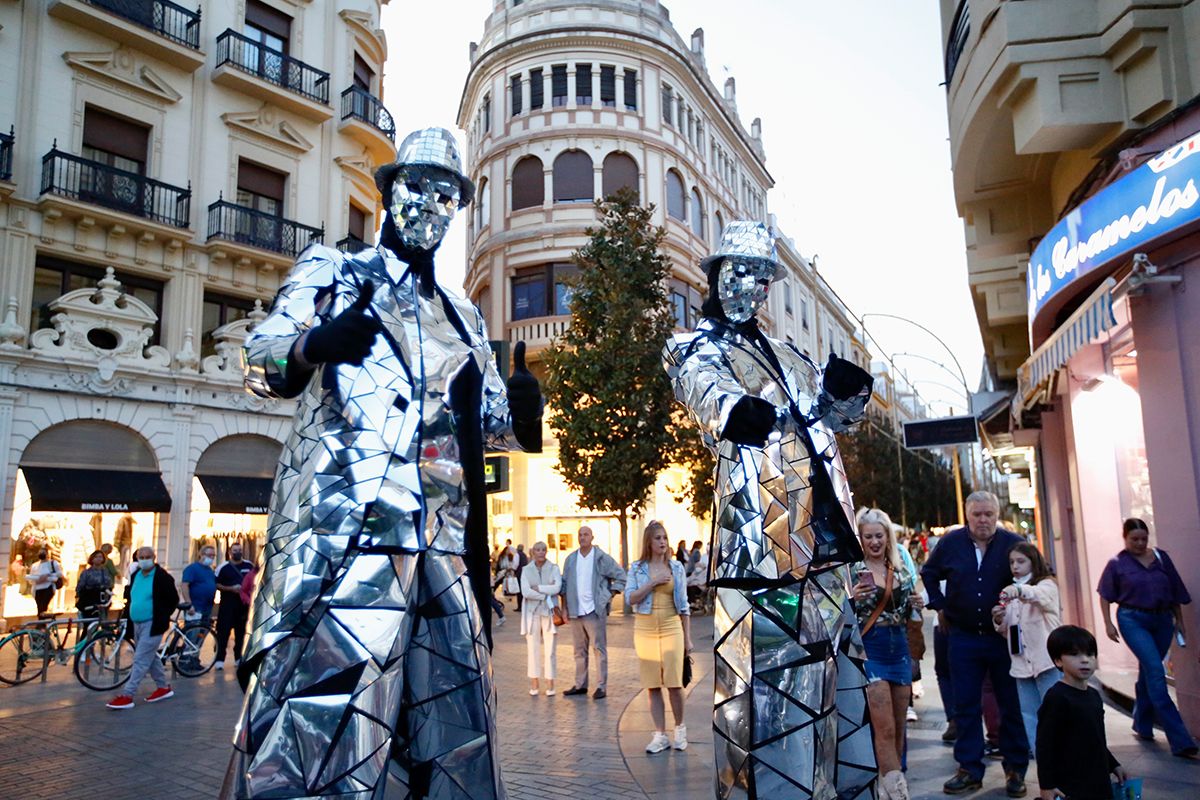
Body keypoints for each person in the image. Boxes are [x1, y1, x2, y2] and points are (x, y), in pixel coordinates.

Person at [226, 128, 543, 800]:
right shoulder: (335, 272)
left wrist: (522, 415)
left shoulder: (461, 314)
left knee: (459, 734)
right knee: (326, 735)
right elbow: (259, 361)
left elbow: (489, 431)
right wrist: (314, 344)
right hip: (352, 543)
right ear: (388, 191)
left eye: (446, 194)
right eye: (416, 186)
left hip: (446, 549)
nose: (430, 203)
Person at [664, 222, 876, 798]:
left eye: (763, 278)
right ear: (715, 274)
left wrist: (847, 398)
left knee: (830, 691)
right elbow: (715, 402)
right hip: (758, 547)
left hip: (825, 544)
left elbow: (830, 427)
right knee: (759, 700)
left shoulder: (789, 352)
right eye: (742, 271)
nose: (753, 287)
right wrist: (744, 411)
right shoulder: (691, 346)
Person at [921, 491, 1029, 797]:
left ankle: (1015, 770)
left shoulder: (1013, 543)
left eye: (989, 514)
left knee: (1011, 705)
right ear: (968, 516)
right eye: (977, 515)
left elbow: (1034, 575)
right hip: (964, 636)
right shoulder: (951, 544)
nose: (983, 520)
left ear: (997, 514)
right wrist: (940, 605)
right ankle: (969, 769)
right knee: (966, 704)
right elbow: (929, 573)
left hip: (1002, 639)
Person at [1097, 517, 1197, 757]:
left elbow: (1175, 592)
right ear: (1125, 538)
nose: (1140, 543)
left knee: (1148, 672)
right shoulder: (1117, 563)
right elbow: (1105, 594)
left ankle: (1141, 722)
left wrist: (1180, 622)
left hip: (1162, 620)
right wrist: (1108, 624)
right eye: (1134, 539)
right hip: (1133, 619)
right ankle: (1180, 739)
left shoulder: (1161, 558)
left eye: (1144, 539)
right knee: (1155, 669)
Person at [851, 509, 922, 800]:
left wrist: (917, 601)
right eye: (868, 536)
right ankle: (896, 792)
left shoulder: (900, 566)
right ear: (861, 538)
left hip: (899, 648)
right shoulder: (854, 570)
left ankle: (889, 782)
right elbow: (838, 612)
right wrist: (851, 598)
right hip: (873, 650)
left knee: (900, 725)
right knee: (885, 727)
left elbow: (909, 609)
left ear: (887, 536)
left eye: (879, 535)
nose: (875, 541)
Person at [1035, 626, 1129, 800]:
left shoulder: (1093, 695)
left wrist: (1113, 765)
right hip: (1070, 783)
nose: (1085, 660)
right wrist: (1046, 785)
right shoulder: (1057, 697)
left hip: (1098, 780)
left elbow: (1096, 739)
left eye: (1090, 654)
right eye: (1074, 654)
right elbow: (1045, 745)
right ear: (1058, 661)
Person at [626, 521, 692, 754]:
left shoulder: (676, 568)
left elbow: (684, 606)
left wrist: (688, 639)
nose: (662, 542)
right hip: (644, 629)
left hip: (671, 625)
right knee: (652, 685)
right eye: (657, 538)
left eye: (664, 537)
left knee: (674, 683)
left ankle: (680, 729)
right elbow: (631, 599)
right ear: (649, 542)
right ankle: (660, 735)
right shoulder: (637, 568)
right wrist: (652, 583)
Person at [991, 542, 1060, 758]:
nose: (1015, 566)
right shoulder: (1012, 592)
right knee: (1030, 715)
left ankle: (1061, 761)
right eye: (1012, 562)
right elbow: (1009, 631)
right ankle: (1043, 762)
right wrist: (998, 619)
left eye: (1021, 561)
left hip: (1046, 660)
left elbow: (1040, 596)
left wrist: (1018, 591)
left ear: (1033, 561)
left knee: (1054, 714)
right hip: (1021, 664)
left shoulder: (1045, 585)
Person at [105, 546, 179, 709]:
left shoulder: (162, 577)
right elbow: (131, 596)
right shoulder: (136, 574)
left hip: (152, 624)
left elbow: (173, 599)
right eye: (141, 557)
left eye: (147, 556)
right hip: (136, 622)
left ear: (153, 557)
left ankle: (127, 694)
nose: (144, 560)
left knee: (140, 659)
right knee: (150, 657)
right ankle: (163, 687)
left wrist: (161, 615)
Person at [560, 525, 626, 699]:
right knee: (579, 650)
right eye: (580, 534)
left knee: (598, 648)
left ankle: (601, 686)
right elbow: (564, 585)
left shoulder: (600, 558)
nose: (582, 537)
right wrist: (565, 608)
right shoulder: (571, 559)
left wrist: (607, 595)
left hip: (594, 611)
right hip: (575, 611)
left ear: (592, 537)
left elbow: (621, 576)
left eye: (586, 534)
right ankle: (581, 685)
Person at [521, 541, 561, 696]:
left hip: (550, 613)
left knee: (551, 649)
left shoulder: (554, 568)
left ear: (547, 551)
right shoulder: (526, 570)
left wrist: (539, 589)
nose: (540, 552)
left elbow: (557, 587)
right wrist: (546, 594)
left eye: (543, 549)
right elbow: (525, 592)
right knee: (532, 648)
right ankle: (534, 681)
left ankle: (550, 682)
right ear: (533, 552)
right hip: (532, 613)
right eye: (537, 550)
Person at [213, 543, 253, 670]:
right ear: (230, 552)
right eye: (235, 550)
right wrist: (230, 588)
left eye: (240, 550)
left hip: (244, 606)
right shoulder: (223, 567)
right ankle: (219, 659)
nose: (238, 552)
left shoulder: (249, 565)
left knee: (241, 633)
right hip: (227, 605)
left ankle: (238, 657)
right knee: (223, 633)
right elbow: (216, 584)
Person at [181, 544, 218, 628]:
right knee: (192, 634)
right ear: (201, 554)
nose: (211, 558)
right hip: (195, 608)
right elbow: (184, 585)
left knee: (201, 635)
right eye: (209, 555)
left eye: (213, 556)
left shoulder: (210, 571)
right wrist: (189, 604)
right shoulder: (192, 568)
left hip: (207, 608)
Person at [75, 550, 114, 618]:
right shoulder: (86, 572)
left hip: (102, 601)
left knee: (103, 620)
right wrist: (77, 596)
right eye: (96, 557)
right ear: (92, 559)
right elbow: (80, 586)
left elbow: (109, 584)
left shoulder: (105, 572)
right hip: (89, 600)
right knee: (88, 621)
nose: (98, 559)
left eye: (100, 557)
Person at [27, 549, 63, 617]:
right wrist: (39, 579)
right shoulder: (35, 565)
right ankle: (41, 623)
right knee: (40, 608)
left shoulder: (53, 563)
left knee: (43, 607)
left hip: (48, 588)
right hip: (37, 590)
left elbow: (59, 574)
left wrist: (48, 576)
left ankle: (42, 624)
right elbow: (31, 579)